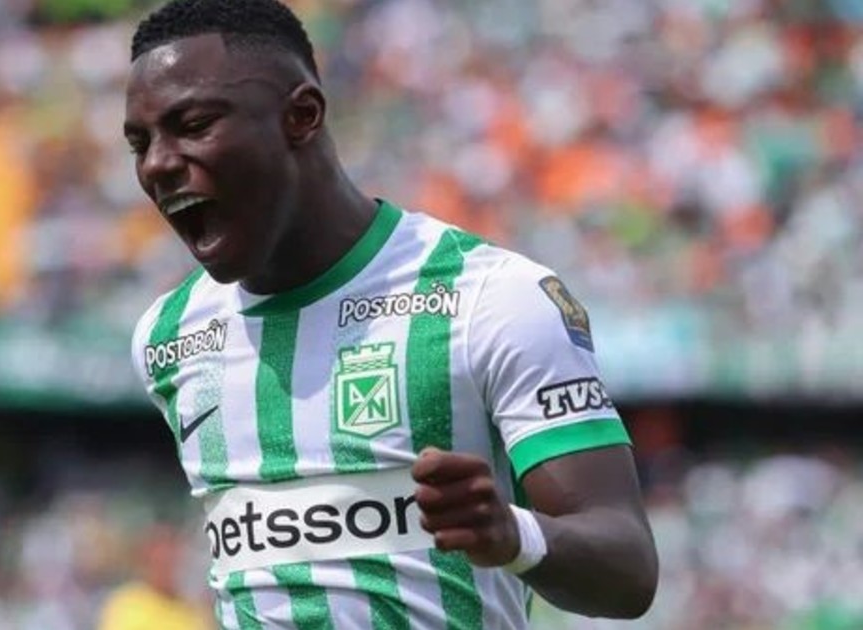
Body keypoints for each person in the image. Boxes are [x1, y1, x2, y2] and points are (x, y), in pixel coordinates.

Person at [125, 0, 659, 627]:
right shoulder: (169, 337)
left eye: (193, 125)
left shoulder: (490, 298)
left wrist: (514, 534)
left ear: (302, 115)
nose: (158, 163)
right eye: (140, 143)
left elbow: (628, 571)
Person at [97, 524, 214, 630]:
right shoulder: (125, 605)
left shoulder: (195, 612)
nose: (168, 570)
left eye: (173, 562)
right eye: (162, 563)